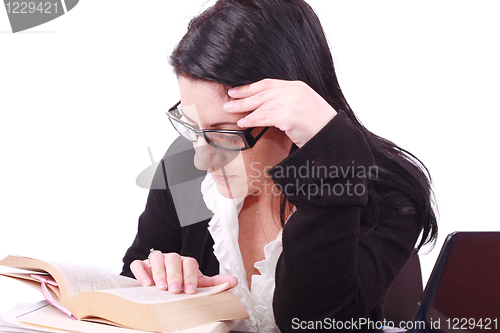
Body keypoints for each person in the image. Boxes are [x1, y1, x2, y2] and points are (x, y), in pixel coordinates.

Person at [120, 0, 438, 332]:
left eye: (223, 133)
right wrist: (162, 280)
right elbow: (130, 284)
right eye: (193, 126)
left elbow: (316, 323)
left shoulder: (388, 193)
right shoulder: (185, 165)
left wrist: (327, 158)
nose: (201, 157)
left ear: (289, 115)